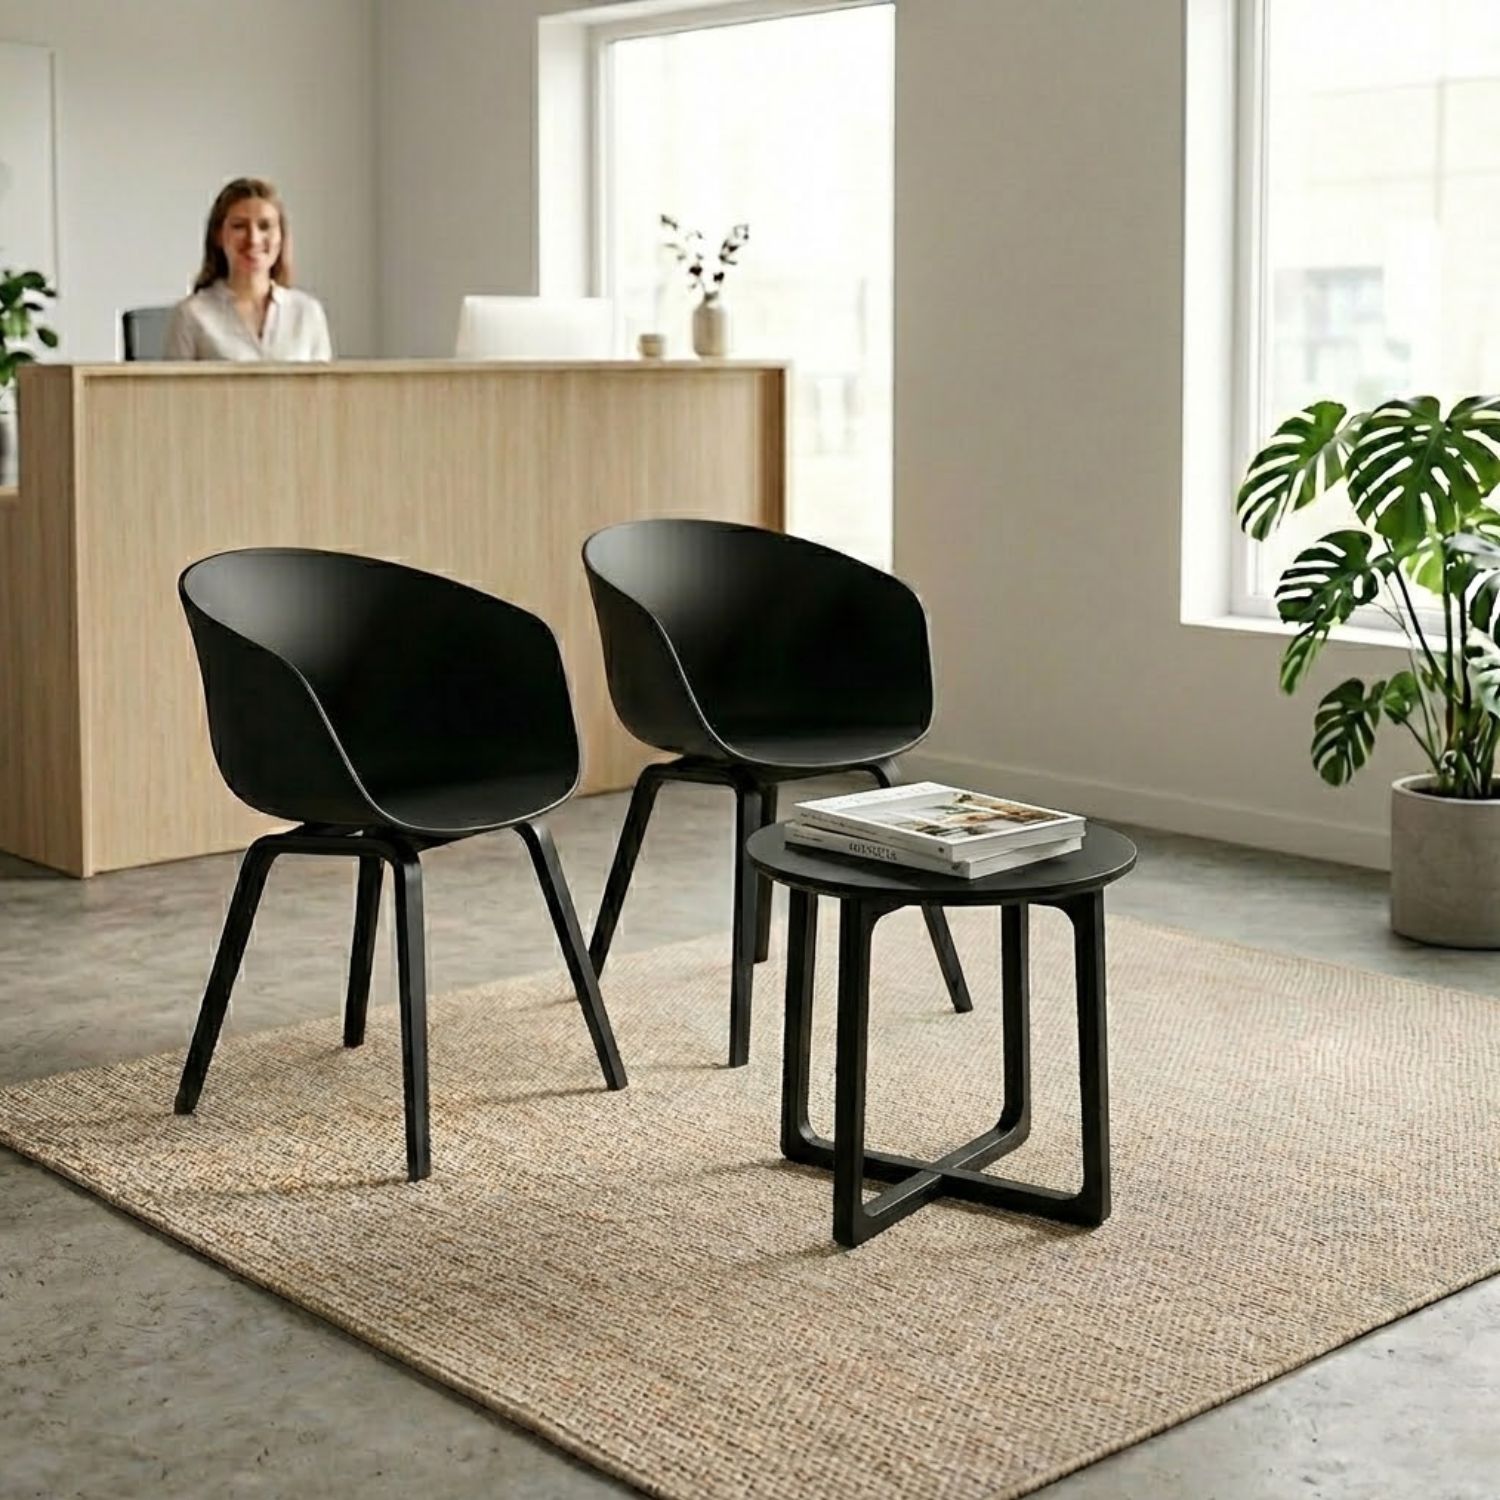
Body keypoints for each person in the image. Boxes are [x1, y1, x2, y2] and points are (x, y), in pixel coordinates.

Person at [164, 177, 332, 361]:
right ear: (219, 235)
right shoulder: (191, 315)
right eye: (239, 226)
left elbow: (323, 388)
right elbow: (173, 390)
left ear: (281, 237)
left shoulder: (307, 313)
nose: (253, 239)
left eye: (265, 226)